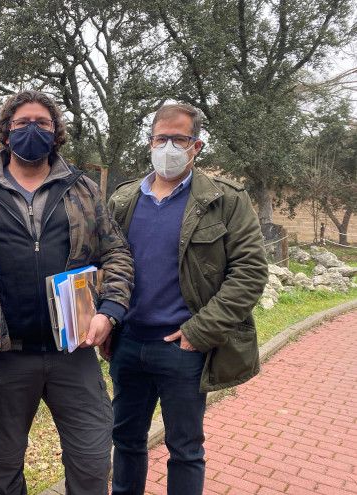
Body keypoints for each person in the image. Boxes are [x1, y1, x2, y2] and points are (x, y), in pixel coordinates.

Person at [0, 90, 134, 495]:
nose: (31, 130)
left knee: (93, 463)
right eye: (21, 122)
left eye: (42, 123)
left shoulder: (84, 190)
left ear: (56, 132)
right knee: (3, 470)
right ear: (6, 133)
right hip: (4, 356)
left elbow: (116, 253)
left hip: (74, 352)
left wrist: (109, 310)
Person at [106, 103, 268, 495]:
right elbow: (104, 266)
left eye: (179, 139)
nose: (168, 147)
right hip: (128, 345)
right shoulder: (123, 201)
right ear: (150, 142)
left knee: (185, 449)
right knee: (126, 443)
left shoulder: (224, 199)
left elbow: (250, 272)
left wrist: (199, 331)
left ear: (196, 145)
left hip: (183, 347)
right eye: (161, 138)